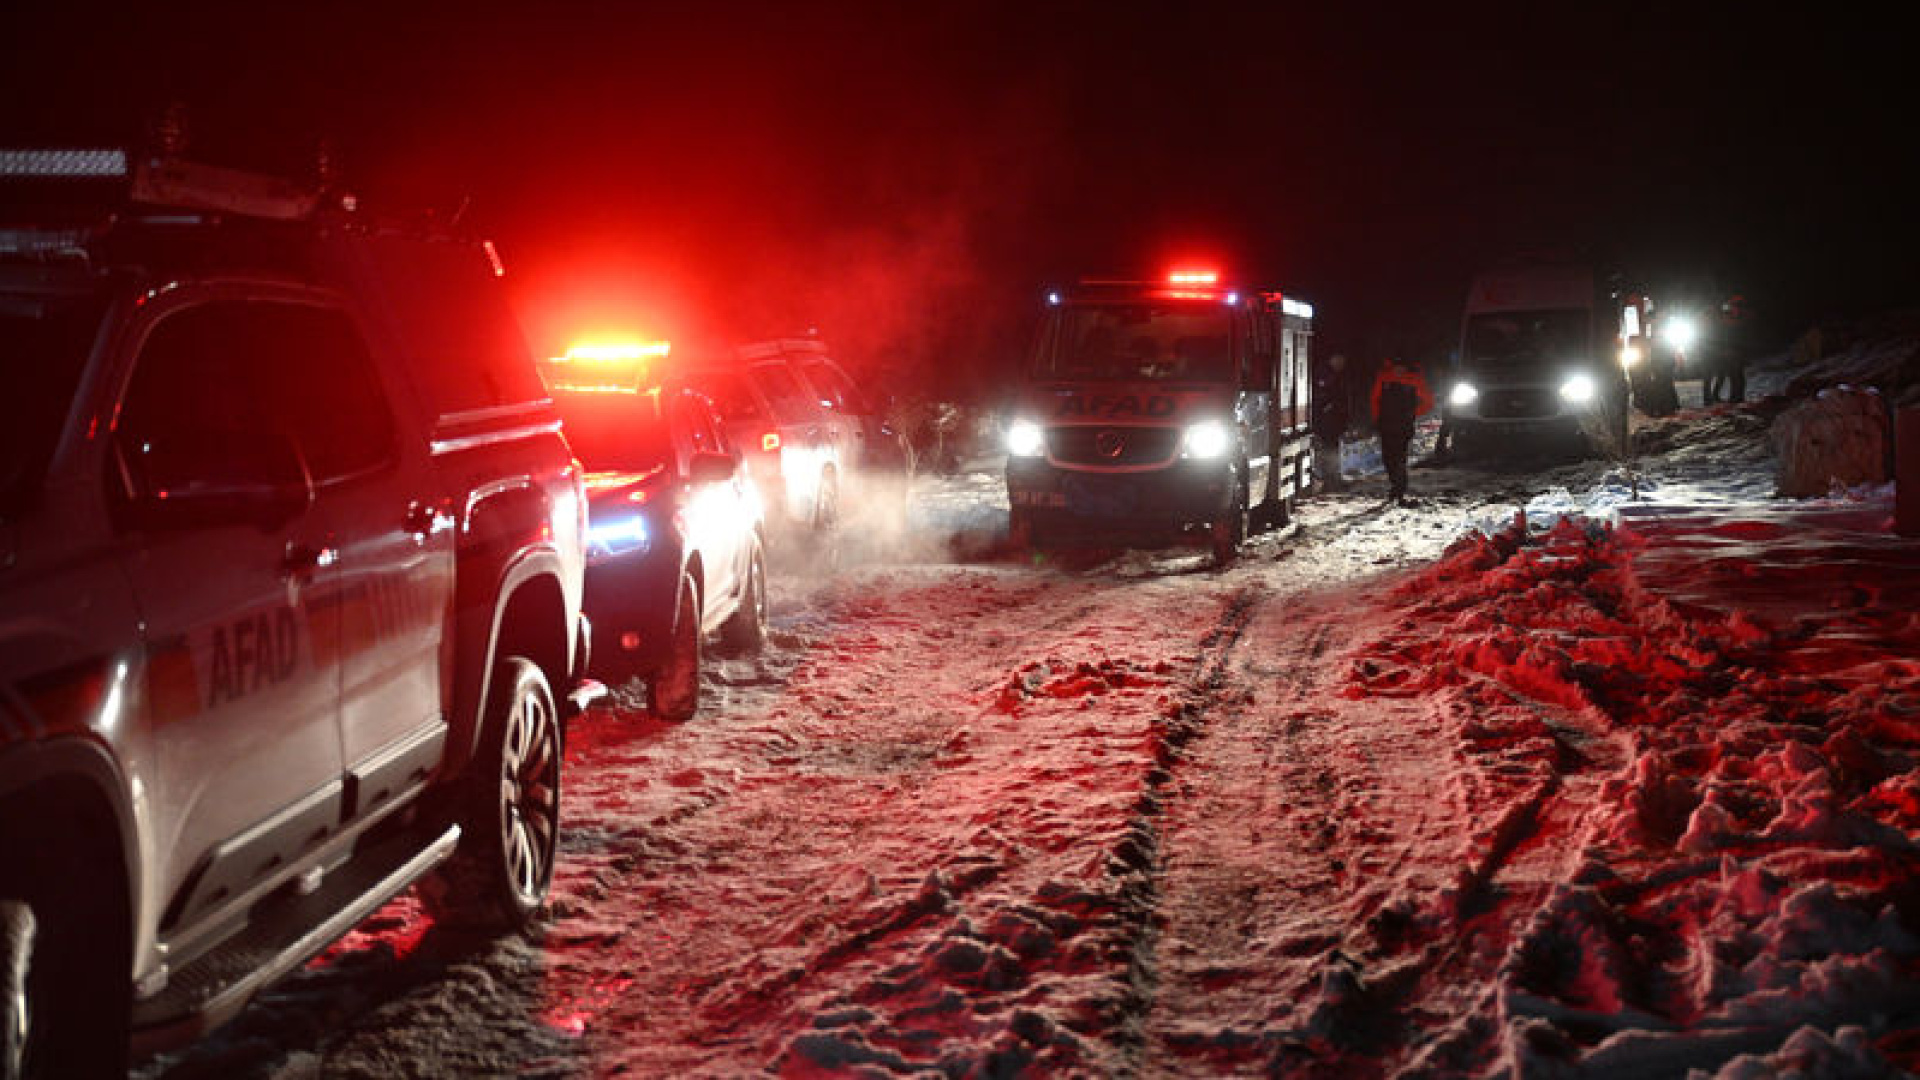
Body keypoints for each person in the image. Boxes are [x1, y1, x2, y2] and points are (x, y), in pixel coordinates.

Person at [1370, 355, 1433, 504]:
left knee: (1399, 457)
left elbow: (1428, 402)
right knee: (1388, 458)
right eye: (1396, 366)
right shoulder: (1383, 378)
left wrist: (1413, 413)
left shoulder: (1415, 380)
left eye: (1402, 366)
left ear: (1406, 367)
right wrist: (1376, 418)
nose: (1399, 369)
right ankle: (1396, 485)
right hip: (1386, 424)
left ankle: (1399, 488)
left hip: (1403, 425)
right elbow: (1374, 400)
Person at [1312, 351, 1351, 490]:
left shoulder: (1337, 375)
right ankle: (1330, 481)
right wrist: (1327, 407)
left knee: (1333, 449)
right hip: (1326, 421)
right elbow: (1324, 397)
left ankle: (1333, 479)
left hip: (1334, 420)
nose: (1342, 364)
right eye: (1339, 360)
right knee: (1329, 450)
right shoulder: (1325, 375)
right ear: (1333, 358)